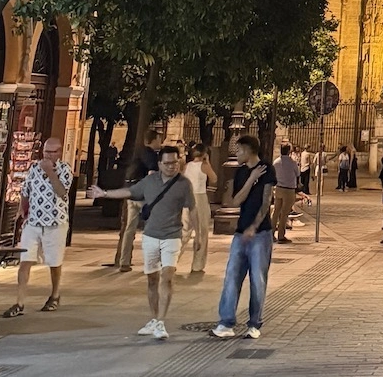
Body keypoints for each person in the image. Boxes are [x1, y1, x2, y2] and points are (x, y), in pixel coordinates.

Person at [90, 142, 197, 341]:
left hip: (172, 236)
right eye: (167, 163)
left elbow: (192, 209)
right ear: (159, 164)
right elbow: (129, 192)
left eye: (175, 163)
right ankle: (154, 319)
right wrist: (104, 194)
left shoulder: (184, 184)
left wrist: (198, 233)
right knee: (152, 279)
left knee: (167, 276)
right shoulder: (150, 182)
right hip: (150, 236)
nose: (171, 166)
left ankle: (162, 322)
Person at [211, 136, 276, 339]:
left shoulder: (267, 169)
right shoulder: (241, 172)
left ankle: (254, 324)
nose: (237, 153)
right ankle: (226, 322)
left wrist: (254, 227)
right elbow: (235, 201)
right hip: (240, 233)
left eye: (239, 150)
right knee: (232, 277)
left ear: (249, 150)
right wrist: (250, 179)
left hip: (261, 234)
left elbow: (266, 203)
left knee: (257, 280)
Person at [4, 137, 73, 316]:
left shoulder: (65, 170)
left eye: (52, 152)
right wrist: (22, 210)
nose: (48, 155)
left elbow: (62, 192)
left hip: (55, 223)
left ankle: (55, 295)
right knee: (25, 261)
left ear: (59, 153)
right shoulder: (34, 168)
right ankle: (19, 302)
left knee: (54, 262)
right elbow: (26, 191)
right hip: (33, 222)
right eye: (46, 151)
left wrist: (51, 172)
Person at [116, 125, 166, 272]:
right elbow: (151, 173)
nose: (160, 142)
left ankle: (124, 261)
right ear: (154, 139)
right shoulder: (151, 155)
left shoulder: (137, 153)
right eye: (159, 139)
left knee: (130, 228)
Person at [184, 142, 217, 276]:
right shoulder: (204, 166)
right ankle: (197, 264)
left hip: (187, 198)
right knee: (202, 231)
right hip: (200, 198)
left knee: (184, 230)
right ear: (204, 153)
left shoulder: (186, 166)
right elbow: (214, 179)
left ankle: (172, 259)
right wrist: (208, 162)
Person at [271, 145, 300, 243]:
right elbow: (297, 174)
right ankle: (281, 235)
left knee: (276, 212)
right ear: (289, 151)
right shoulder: (292, 163)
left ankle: (270, 234)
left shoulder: (276, 162)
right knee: (284, 214)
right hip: (289, 190)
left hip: (279, 188)